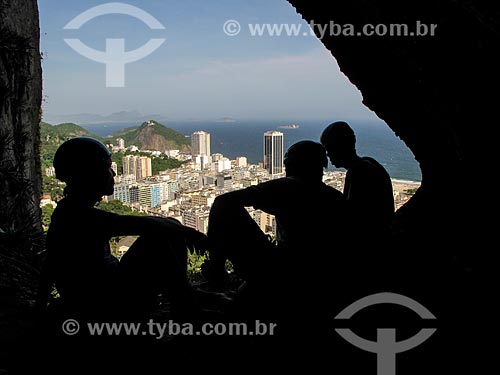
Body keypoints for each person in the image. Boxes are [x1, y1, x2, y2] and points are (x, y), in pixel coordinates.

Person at [37, 137, 208, 324]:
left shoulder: (67, 212)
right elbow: (147, 225)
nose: (113, 174)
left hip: (99, 298)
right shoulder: (82, 217)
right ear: (88, 174)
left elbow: (50, 265)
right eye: (106, 168)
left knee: (167, 228)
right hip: (107, 306)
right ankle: (189, 316)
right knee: (163, 238)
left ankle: (187, 309)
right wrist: (189, 234)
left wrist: (39, 309)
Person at [204, 140, 348, 326]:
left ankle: (216, 272)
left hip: (283, 271)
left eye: (288, 165)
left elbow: (223, 202)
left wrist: (217, 262)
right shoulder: (335, 197)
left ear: (294, 166)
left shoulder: (289, 187)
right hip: (324, 280)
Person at [320, 121, 394, 235]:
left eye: (329, 149)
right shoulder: (369, 163)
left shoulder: (358, 171)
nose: (328, 155)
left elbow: (352, 216)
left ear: (340, 147)